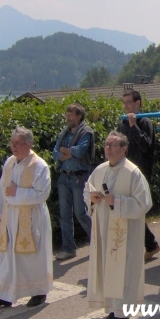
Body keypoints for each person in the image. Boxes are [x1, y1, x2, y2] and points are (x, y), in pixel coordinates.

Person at [84, 131, 152, 319]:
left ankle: (120, 316)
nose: (109, 149)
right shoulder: (99, 170)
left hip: (126, 234)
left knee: (123, 272)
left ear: (124, 149)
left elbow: (144, 203)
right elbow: (87, 191)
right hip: (104, 230)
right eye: (106, 145)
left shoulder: (133, 173)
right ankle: (113, 309)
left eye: (113, 145)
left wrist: (118, 202)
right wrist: (92, 199)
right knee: (107, 269)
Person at [0, 126, 53, 308]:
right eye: (12, 142)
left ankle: (38, 291)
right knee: (6, 256)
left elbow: (42, 194)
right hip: (9, 218)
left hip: (31, 218)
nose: (13, 147)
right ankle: (3, 295)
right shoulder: (10, 162)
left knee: (32, 257)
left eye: (18, 143)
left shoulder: (39, 166)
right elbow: (2, 190)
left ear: (28, 144)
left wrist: (18, 192)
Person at [117, 90, 159, 260]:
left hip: (140, 172)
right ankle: (150, 244)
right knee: (128, 211)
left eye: (129, 102)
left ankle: (149, 244)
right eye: (124, 102)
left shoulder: (145, 122)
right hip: (124, 171)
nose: (126, 106)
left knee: (135, 210)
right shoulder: (122, 123)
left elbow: (146, 146)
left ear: (138, 103)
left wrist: (134, 126)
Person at [52, 103, 94, 260]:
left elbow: (80, 151)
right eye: (67, 115)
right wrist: (67, 153)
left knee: (81, 213)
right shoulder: (64, 134)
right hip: (64, 177)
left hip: (79, 177)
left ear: (79, 117)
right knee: (64, 214)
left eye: (71, 115)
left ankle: (97, 243)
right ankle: (69, 249)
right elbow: (55, 153)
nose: (68, 118)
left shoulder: (87, 132)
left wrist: (65, 151)